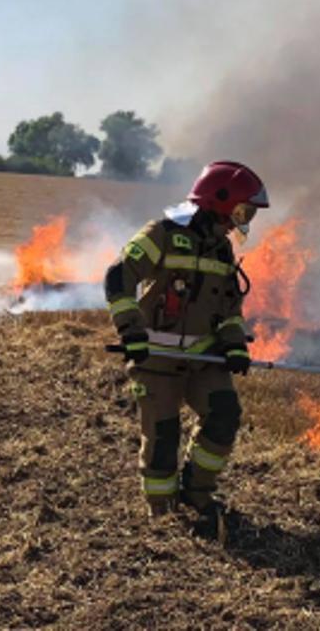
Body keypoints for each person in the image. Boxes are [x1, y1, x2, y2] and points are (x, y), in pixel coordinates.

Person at [102, 160, 269, 539]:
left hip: (203, 358)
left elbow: (228, 306)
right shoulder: (161, 233)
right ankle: (162, 516)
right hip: (156, 359)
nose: (243, 220)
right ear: (219, 201)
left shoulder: (222, 250)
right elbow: (118, 276)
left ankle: (197, 494)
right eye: (243, 211)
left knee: (224, 414)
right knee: (163, 438)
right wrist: (131, 330)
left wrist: (234, 344)